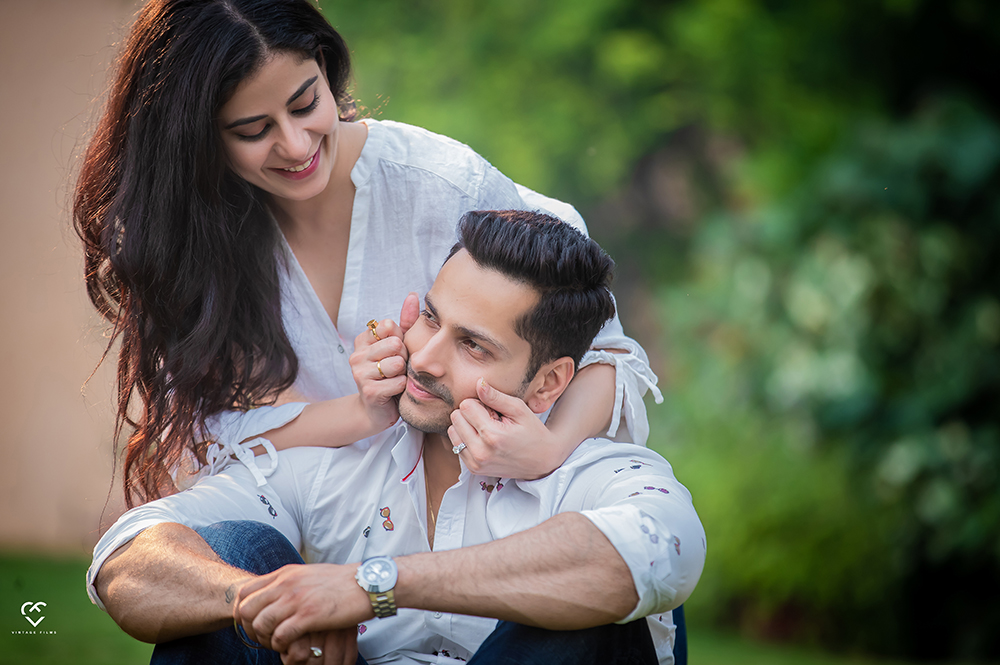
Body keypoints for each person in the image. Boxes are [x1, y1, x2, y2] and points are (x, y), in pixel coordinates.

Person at [73, 0, 662, 511]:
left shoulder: (442, 186)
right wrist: (361, 412)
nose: (296, 145)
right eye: (254, 130)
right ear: (199, 138)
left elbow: (606, 350)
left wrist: (548, 448)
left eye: (305, 103)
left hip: (488, 521)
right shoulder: (196, 245)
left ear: (324, 67)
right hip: (322, 540)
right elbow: (211, 438)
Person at [89, 210, 705, 665]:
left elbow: (659, 550)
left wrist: (369, 586)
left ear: (548, 384)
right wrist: (266, 600)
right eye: (431, 318)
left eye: (473, 346)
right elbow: (128, 555)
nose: (425, 358)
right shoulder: (338, 468)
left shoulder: (596, 476)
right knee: (232, 551)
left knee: (580, 607)